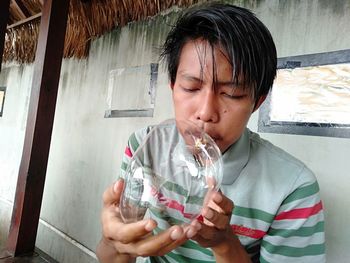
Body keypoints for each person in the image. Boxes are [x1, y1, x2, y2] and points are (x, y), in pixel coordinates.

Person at [96, 3, 325, 263]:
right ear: (172, 87)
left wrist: (224, 243)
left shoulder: (293, 186)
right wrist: (113, 239)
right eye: (191, 88)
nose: (206, 112)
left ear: (257, 102)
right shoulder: (145, 145)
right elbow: (114, 256)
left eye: (232, 94)